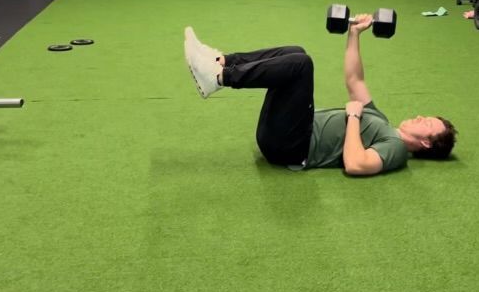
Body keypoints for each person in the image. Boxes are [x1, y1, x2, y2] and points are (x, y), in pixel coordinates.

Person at [184, 17, 457, 176]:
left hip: (291, 147)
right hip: (287, 131)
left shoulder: (396, 149)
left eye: (428, 123)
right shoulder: (382, 121)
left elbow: (356, 163)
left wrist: (353, 116)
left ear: (426, 143)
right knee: (296, 51)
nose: (421, 116)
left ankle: (220, 77)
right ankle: (221, 61)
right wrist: (354, 35)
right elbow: (355, 80)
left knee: (302, 66)